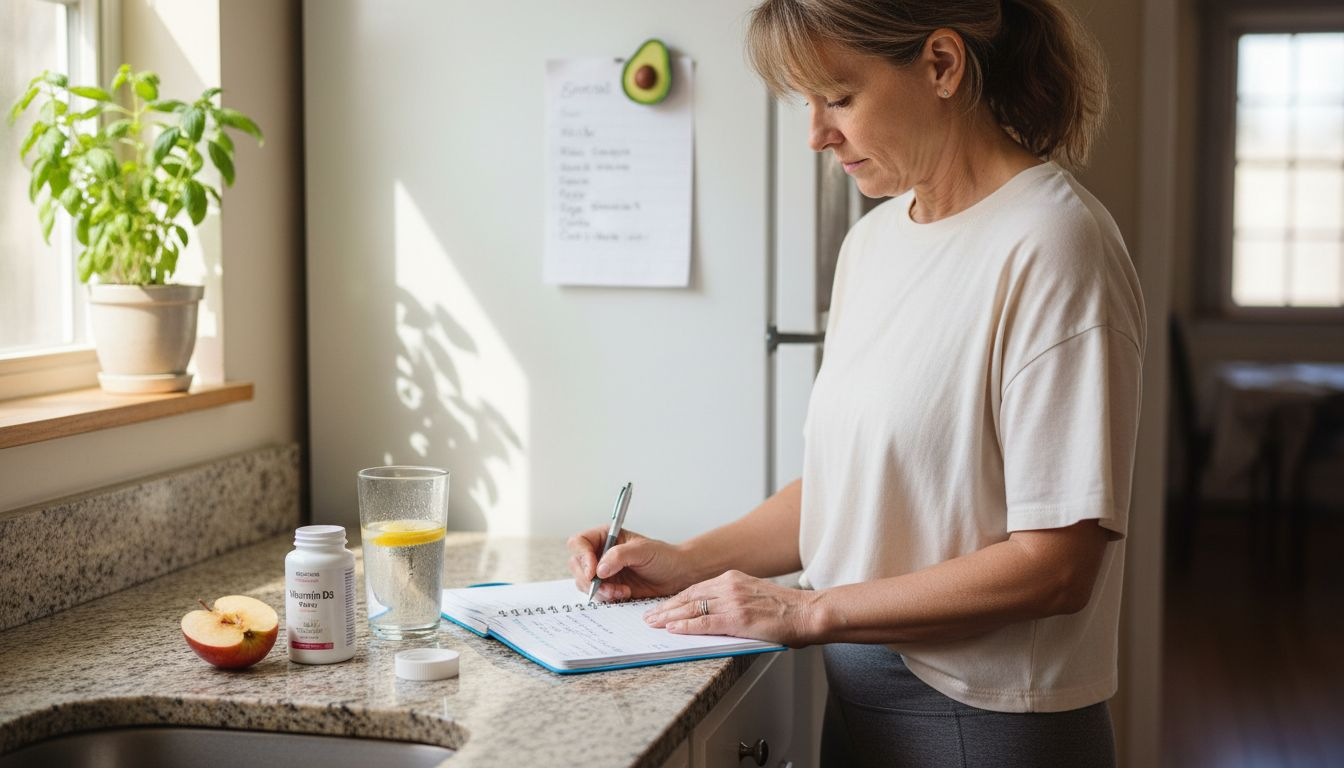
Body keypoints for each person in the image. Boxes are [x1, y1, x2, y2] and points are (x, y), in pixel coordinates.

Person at [567, 0, 1144, 765]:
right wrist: (686, 560)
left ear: (942, 65)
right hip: (858, 698)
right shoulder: (871, 243)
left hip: (989, 723)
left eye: (838, 98)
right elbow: (848, 489)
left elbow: (1057, 566)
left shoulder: (1054, 245)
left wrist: (806, 612)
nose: (815, 134)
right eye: (806, 102)